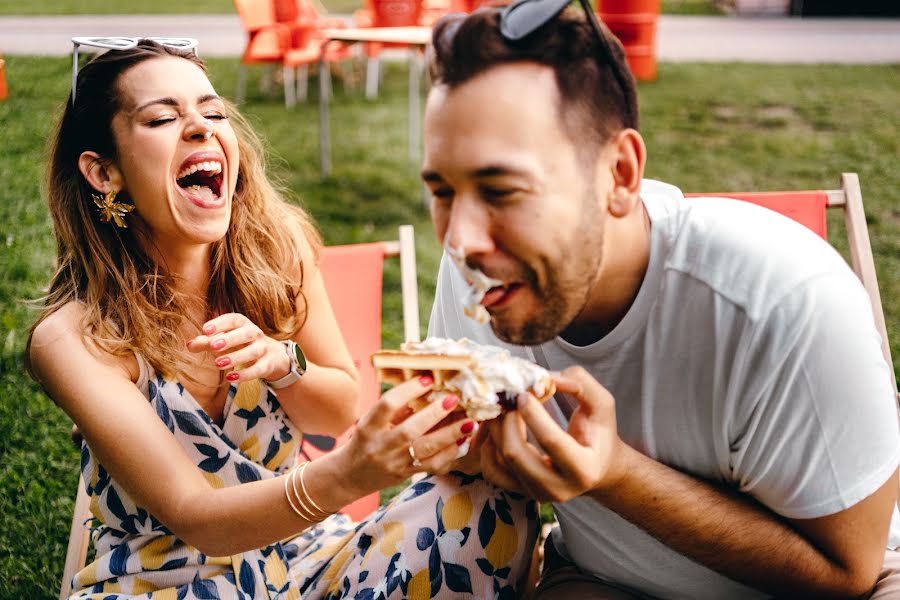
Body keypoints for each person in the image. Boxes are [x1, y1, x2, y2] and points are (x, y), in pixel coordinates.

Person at [27, 39, 538, 598]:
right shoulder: (74, 340)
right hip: (165, 578)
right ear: (104, 172)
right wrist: (350, 474)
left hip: (305, 553)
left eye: (213, 111)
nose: (201, 128)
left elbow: (339, 409)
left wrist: (283, 363)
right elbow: (196, 515)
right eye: (163, 117)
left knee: (487, 504)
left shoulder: (279, 251)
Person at [421, 7, 900, 599]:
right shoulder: (474, 271)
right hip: (602, 580)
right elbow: (457, 461)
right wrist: (449, 447)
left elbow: (848, 571)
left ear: (620, 174)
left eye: (501, 191)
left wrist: (616, 474)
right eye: (442, 191)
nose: (461, 239)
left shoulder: (785, 302)